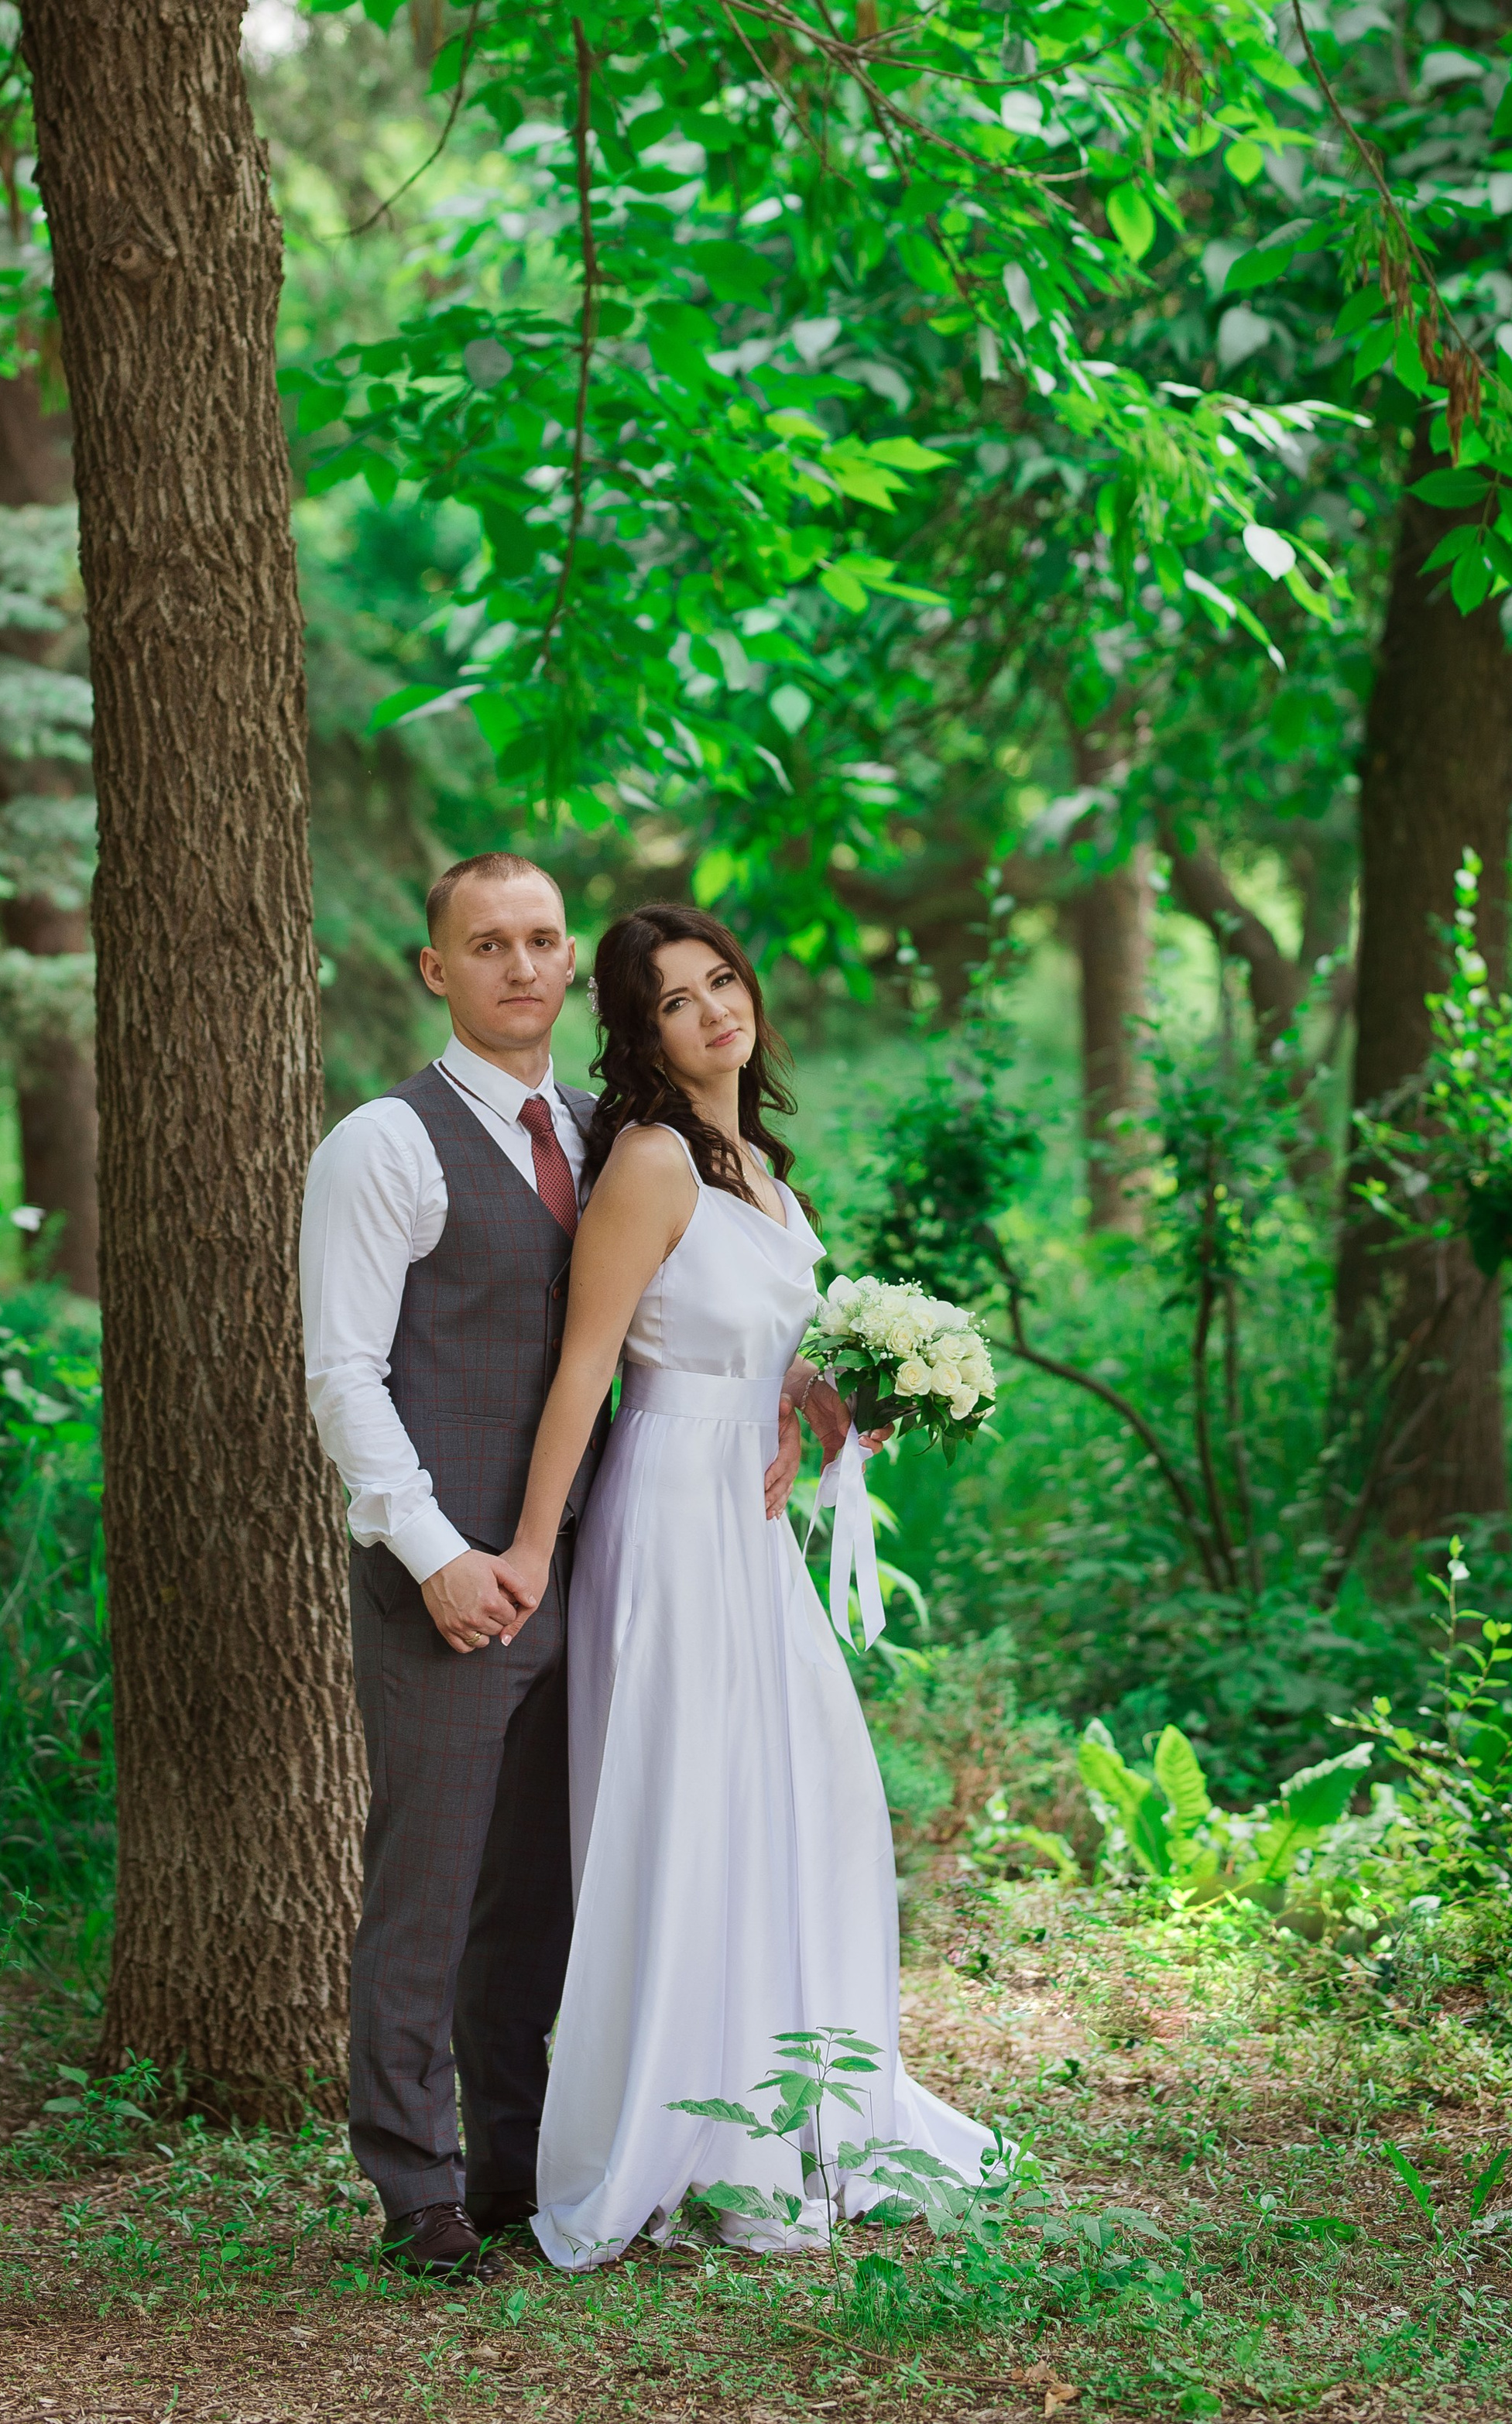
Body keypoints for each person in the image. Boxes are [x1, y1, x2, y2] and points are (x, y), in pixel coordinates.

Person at [300, 855, 804, 2283]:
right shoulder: (383, 1147)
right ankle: (417, 2189)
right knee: (431, 1887)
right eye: (486, 944)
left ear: (568, 962)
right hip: (451, 1581)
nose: (518, 968)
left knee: (544, 1891)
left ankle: (522, 2162)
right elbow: (343, 1376)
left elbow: (677, 1317)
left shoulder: (610, 1136)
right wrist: (438, 1554)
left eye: (539, 941)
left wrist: (797, 1391)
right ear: (435, 969)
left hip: (606, 1571)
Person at [491, 902, 993, 2269]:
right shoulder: (650, 1162)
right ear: (641, 1034)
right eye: (676, 999)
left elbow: (774, 1354)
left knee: (804, 1791)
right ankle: (689, 2130)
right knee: (689, 1804)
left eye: (724, 981)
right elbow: (588, 1369)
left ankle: (802, 2105)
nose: (716, 1010)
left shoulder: (765, 1169)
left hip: (751, 1513)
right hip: (664, 1508)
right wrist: (535, 1549)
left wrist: (838, 1403)